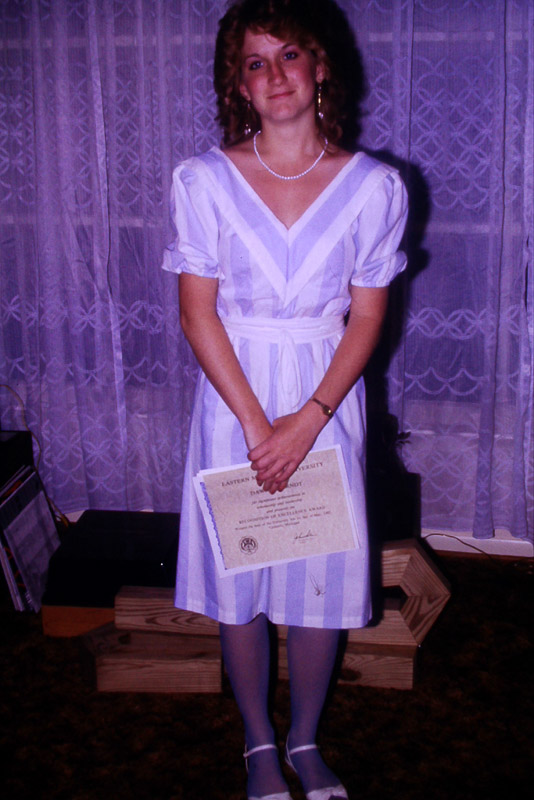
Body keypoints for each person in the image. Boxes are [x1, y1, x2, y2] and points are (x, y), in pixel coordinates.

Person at [162, 1, 408, 798]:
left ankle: (304, 738)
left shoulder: (374, 187)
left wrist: (307, 421)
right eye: (255, 62)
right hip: (234, 402)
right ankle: (257, 742)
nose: (275, 75)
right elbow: (197, 312)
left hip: (324, 401)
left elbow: (366, 317)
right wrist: (256, 424)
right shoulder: (203, 180)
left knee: (316, 578)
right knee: (243, 581)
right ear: (238, 83)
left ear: (321, 66)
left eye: (290, 55)